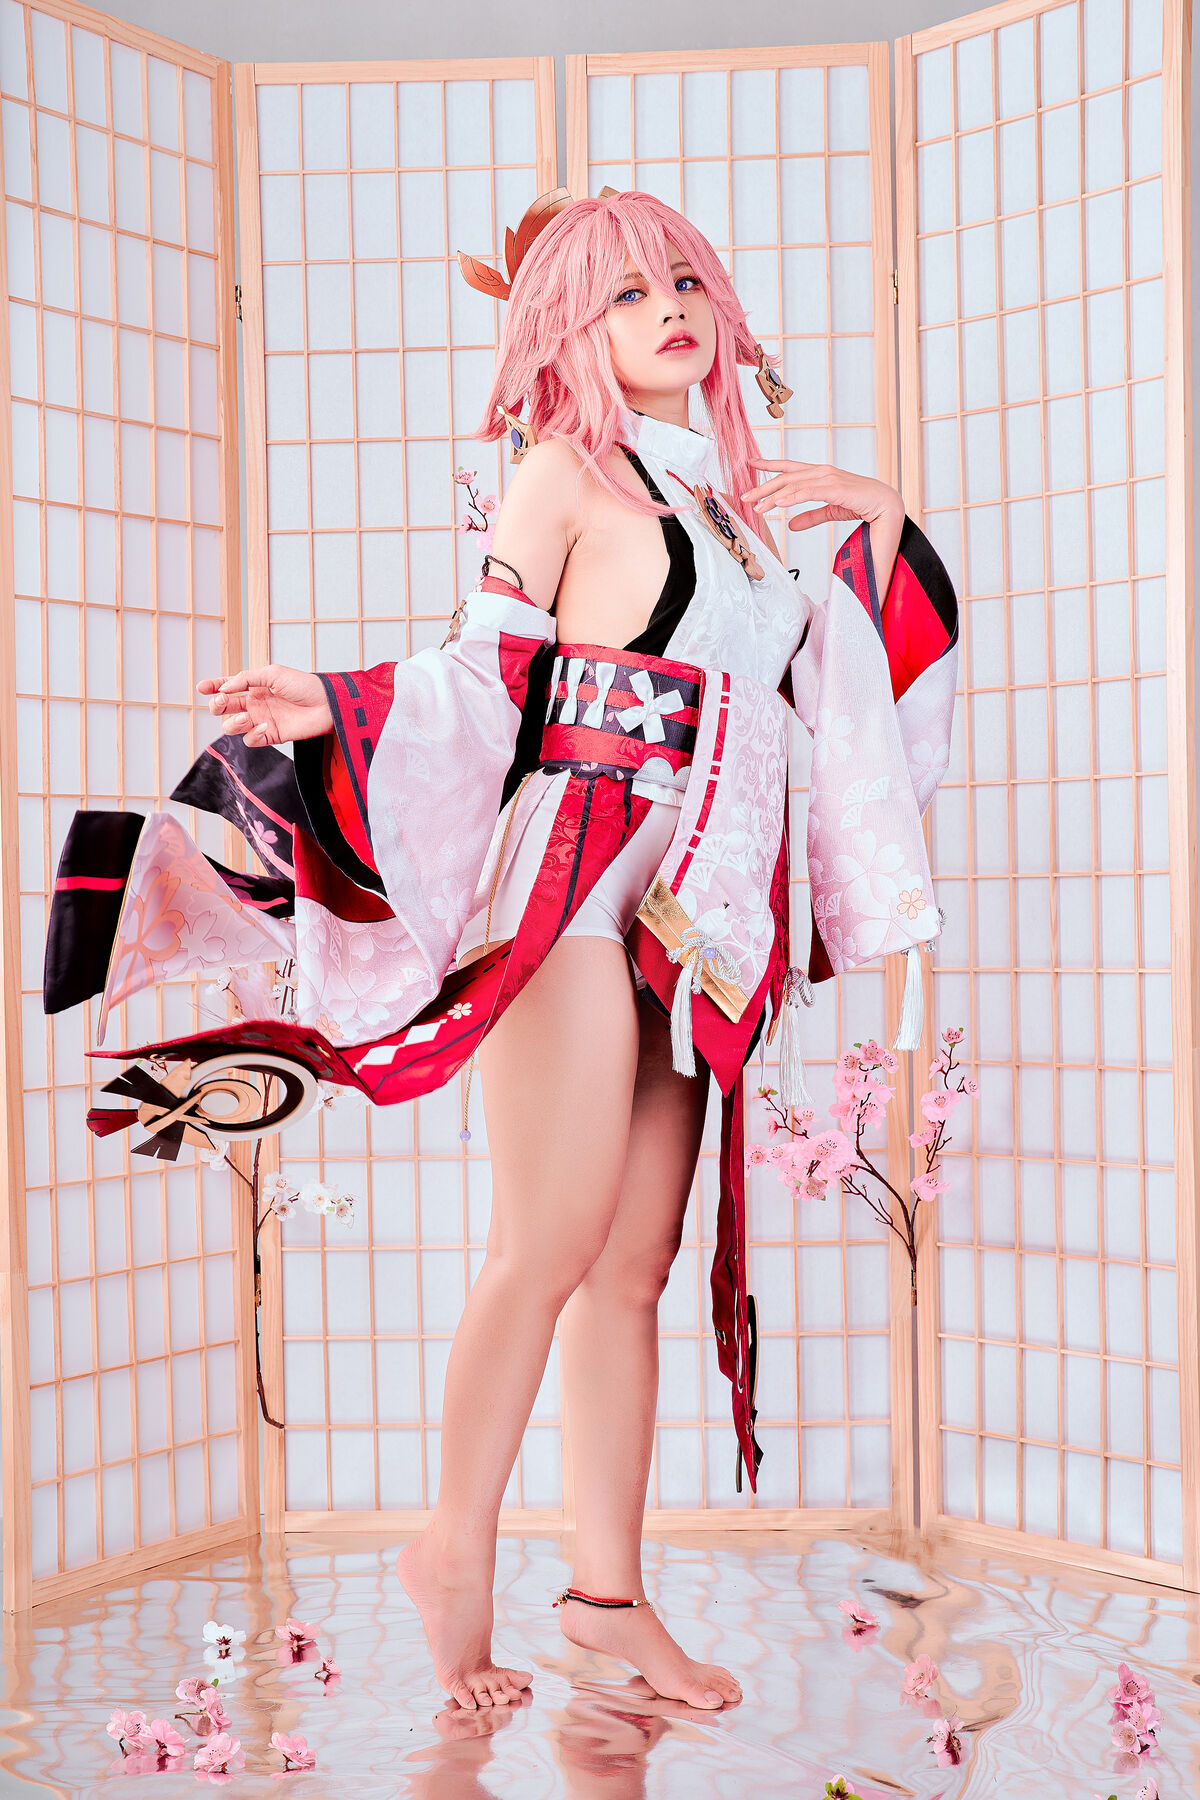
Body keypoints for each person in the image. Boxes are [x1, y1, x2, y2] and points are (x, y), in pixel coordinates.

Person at [46, 191, 958, 1716]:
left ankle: (607, 1598)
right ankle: (452, 1552)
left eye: (686, 282)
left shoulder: (738, 512)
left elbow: (839, 695)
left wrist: (875, 513)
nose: (670, 311)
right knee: (546, 1246)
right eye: (626, 295)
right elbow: (486, 674)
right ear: (564, 330)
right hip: (578, 884)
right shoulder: (562, 474)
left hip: (702, 902)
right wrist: (334, 703)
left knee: (634, 1265)